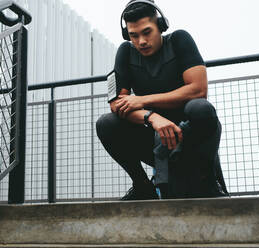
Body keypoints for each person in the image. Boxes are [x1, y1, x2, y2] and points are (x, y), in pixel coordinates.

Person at [96, 0, 228, 200]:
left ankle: (207, 180)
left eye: (147, 32)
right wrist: (152, 117)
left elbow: (198, 90)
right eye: (134, 35)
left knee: (200, 108)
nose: (141, 41)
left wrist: (142, 100)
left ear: (160, 26)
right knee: (106, 123)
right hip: (153, 136)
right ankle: (142, 187)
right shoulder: (125, 52)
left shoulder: (180, 40)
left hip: (190, 135)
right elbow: (117, 103)